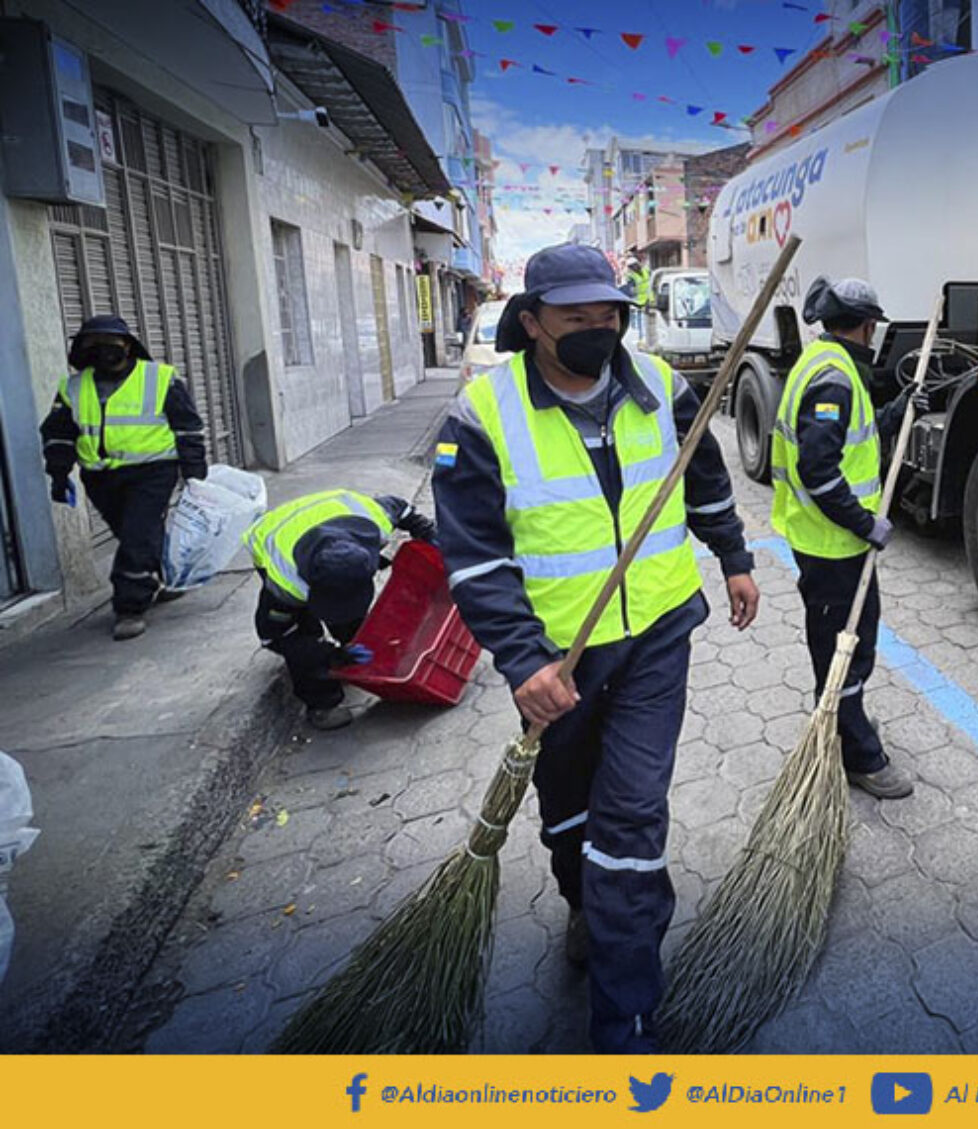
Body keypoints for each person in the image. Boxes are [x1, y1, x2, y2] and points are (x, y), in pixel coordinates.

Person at [432, 243, 759, 1054]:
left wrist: (734, 557)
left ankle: (626, 1016)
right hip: (557, 659)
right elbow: (473, 557)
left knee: (630, 820)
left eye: (609, 312)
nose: (598, 327)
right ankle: (584, 901)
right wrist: (521, 661)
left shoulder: (661, 386)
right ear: (532, 321)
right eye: (576, 314)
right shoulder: (483, 415)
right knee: (567, 809)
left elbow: (702, 476)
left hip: (657, 638)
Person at [770, 277, 916, 801]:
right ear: (868, 325)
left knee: (842, 647)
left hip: (826, 540)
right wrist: (864, 523)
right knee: (845, 651)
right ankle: (858, 754)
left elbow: (859, 434)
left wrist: (898, 410)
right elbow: (820, 471)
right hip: (832, 544)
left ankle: (840, 715)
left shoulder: (825, 364)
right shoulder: (834, 378)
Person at [39, 315, 208, 640]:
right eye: (94, 345)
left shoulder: (159, 379)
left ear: (129, 346)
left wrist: (194, 475)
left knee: (137, 536)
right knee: (136, 534)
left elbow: (187, 427)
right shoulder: (73, 387)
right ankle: (160, 578)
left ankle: (129, 607)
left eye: (111, 344)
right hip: (101, 478)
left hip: (152, 471)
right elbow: (58, 433)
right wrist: (59, 473)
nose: (104, 352)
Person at [246, 489, 436, 730]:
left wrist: (428, 532)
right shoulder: (284, 584)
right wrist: (327, 654)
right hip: (275, 534)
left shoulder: (372, 520)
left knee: (352, 620)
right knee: (306, 638)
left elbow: (400, 507)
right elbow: (275, 636)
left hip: (328, 513)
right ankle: (321, 705)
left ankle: (353, 654)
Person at [623, 253, 652, 342]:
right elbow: (630, 290)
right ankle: (642, 338)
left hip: (649, 299)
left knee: (649, 320)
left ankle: (647, 337)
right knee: (641, 321)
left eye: (634, 266)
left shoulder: (646, 271)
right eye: (632, 267)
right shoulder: (631, 276)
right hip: (639, 302)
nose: (634, 268)